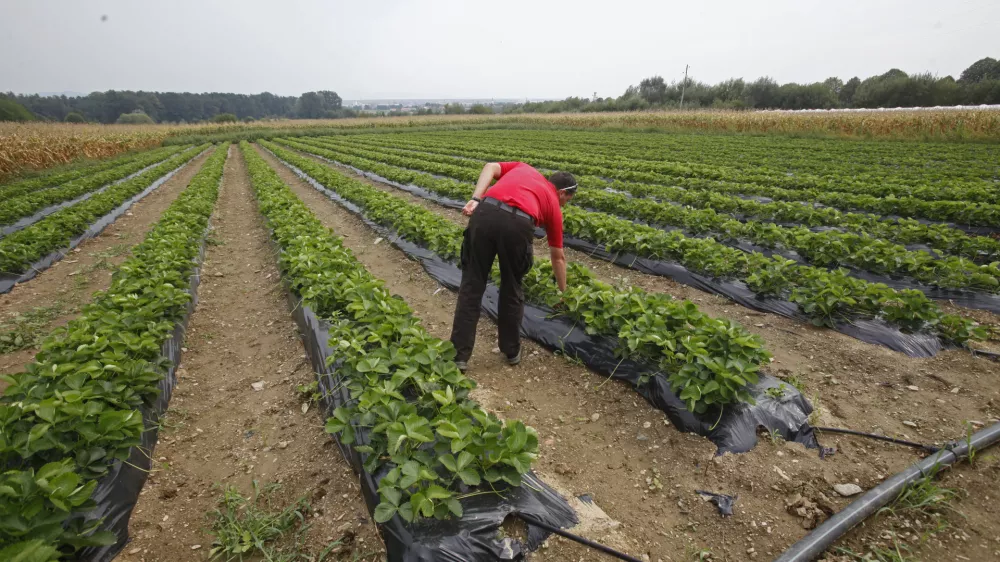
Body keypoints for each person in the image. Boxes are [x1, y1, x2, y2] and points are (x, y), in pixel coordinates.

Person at [449, 161, 577, 372]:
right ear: (562, 193)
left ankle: (458, 356)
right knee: (511, 287)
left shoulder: (524, 168)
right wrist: (564, 291)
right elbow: (558, 257)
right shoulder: (554, 205)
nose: (565, 204)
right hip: (518, 225)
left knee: (472, 284)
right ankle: (511, 351)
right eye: (568, 200)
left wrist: (475, 198)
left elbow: (490, 166)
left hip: (485, 212)